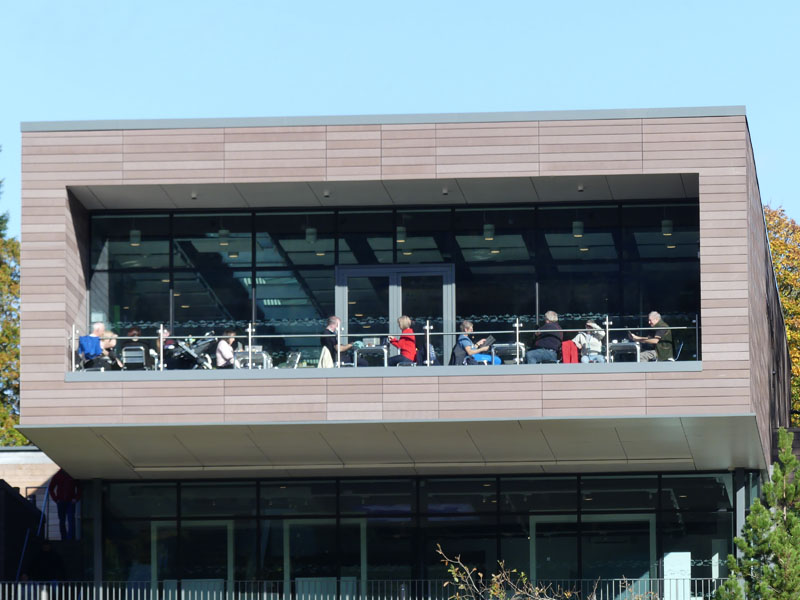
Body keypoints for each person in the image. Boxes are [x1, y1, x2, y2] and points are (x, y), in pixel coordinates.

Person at [49, 468, 81, 541]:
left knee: (70, 520)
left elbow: (79, 488)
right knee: (63, 520)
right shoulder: (58, 475)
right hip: (61, 501)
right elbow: (51, 488)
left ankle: (70, 538)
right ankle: (64, 538)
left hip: (70, 501)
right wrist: (56, 499)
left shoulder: (72, 475)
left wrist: (76, 498)